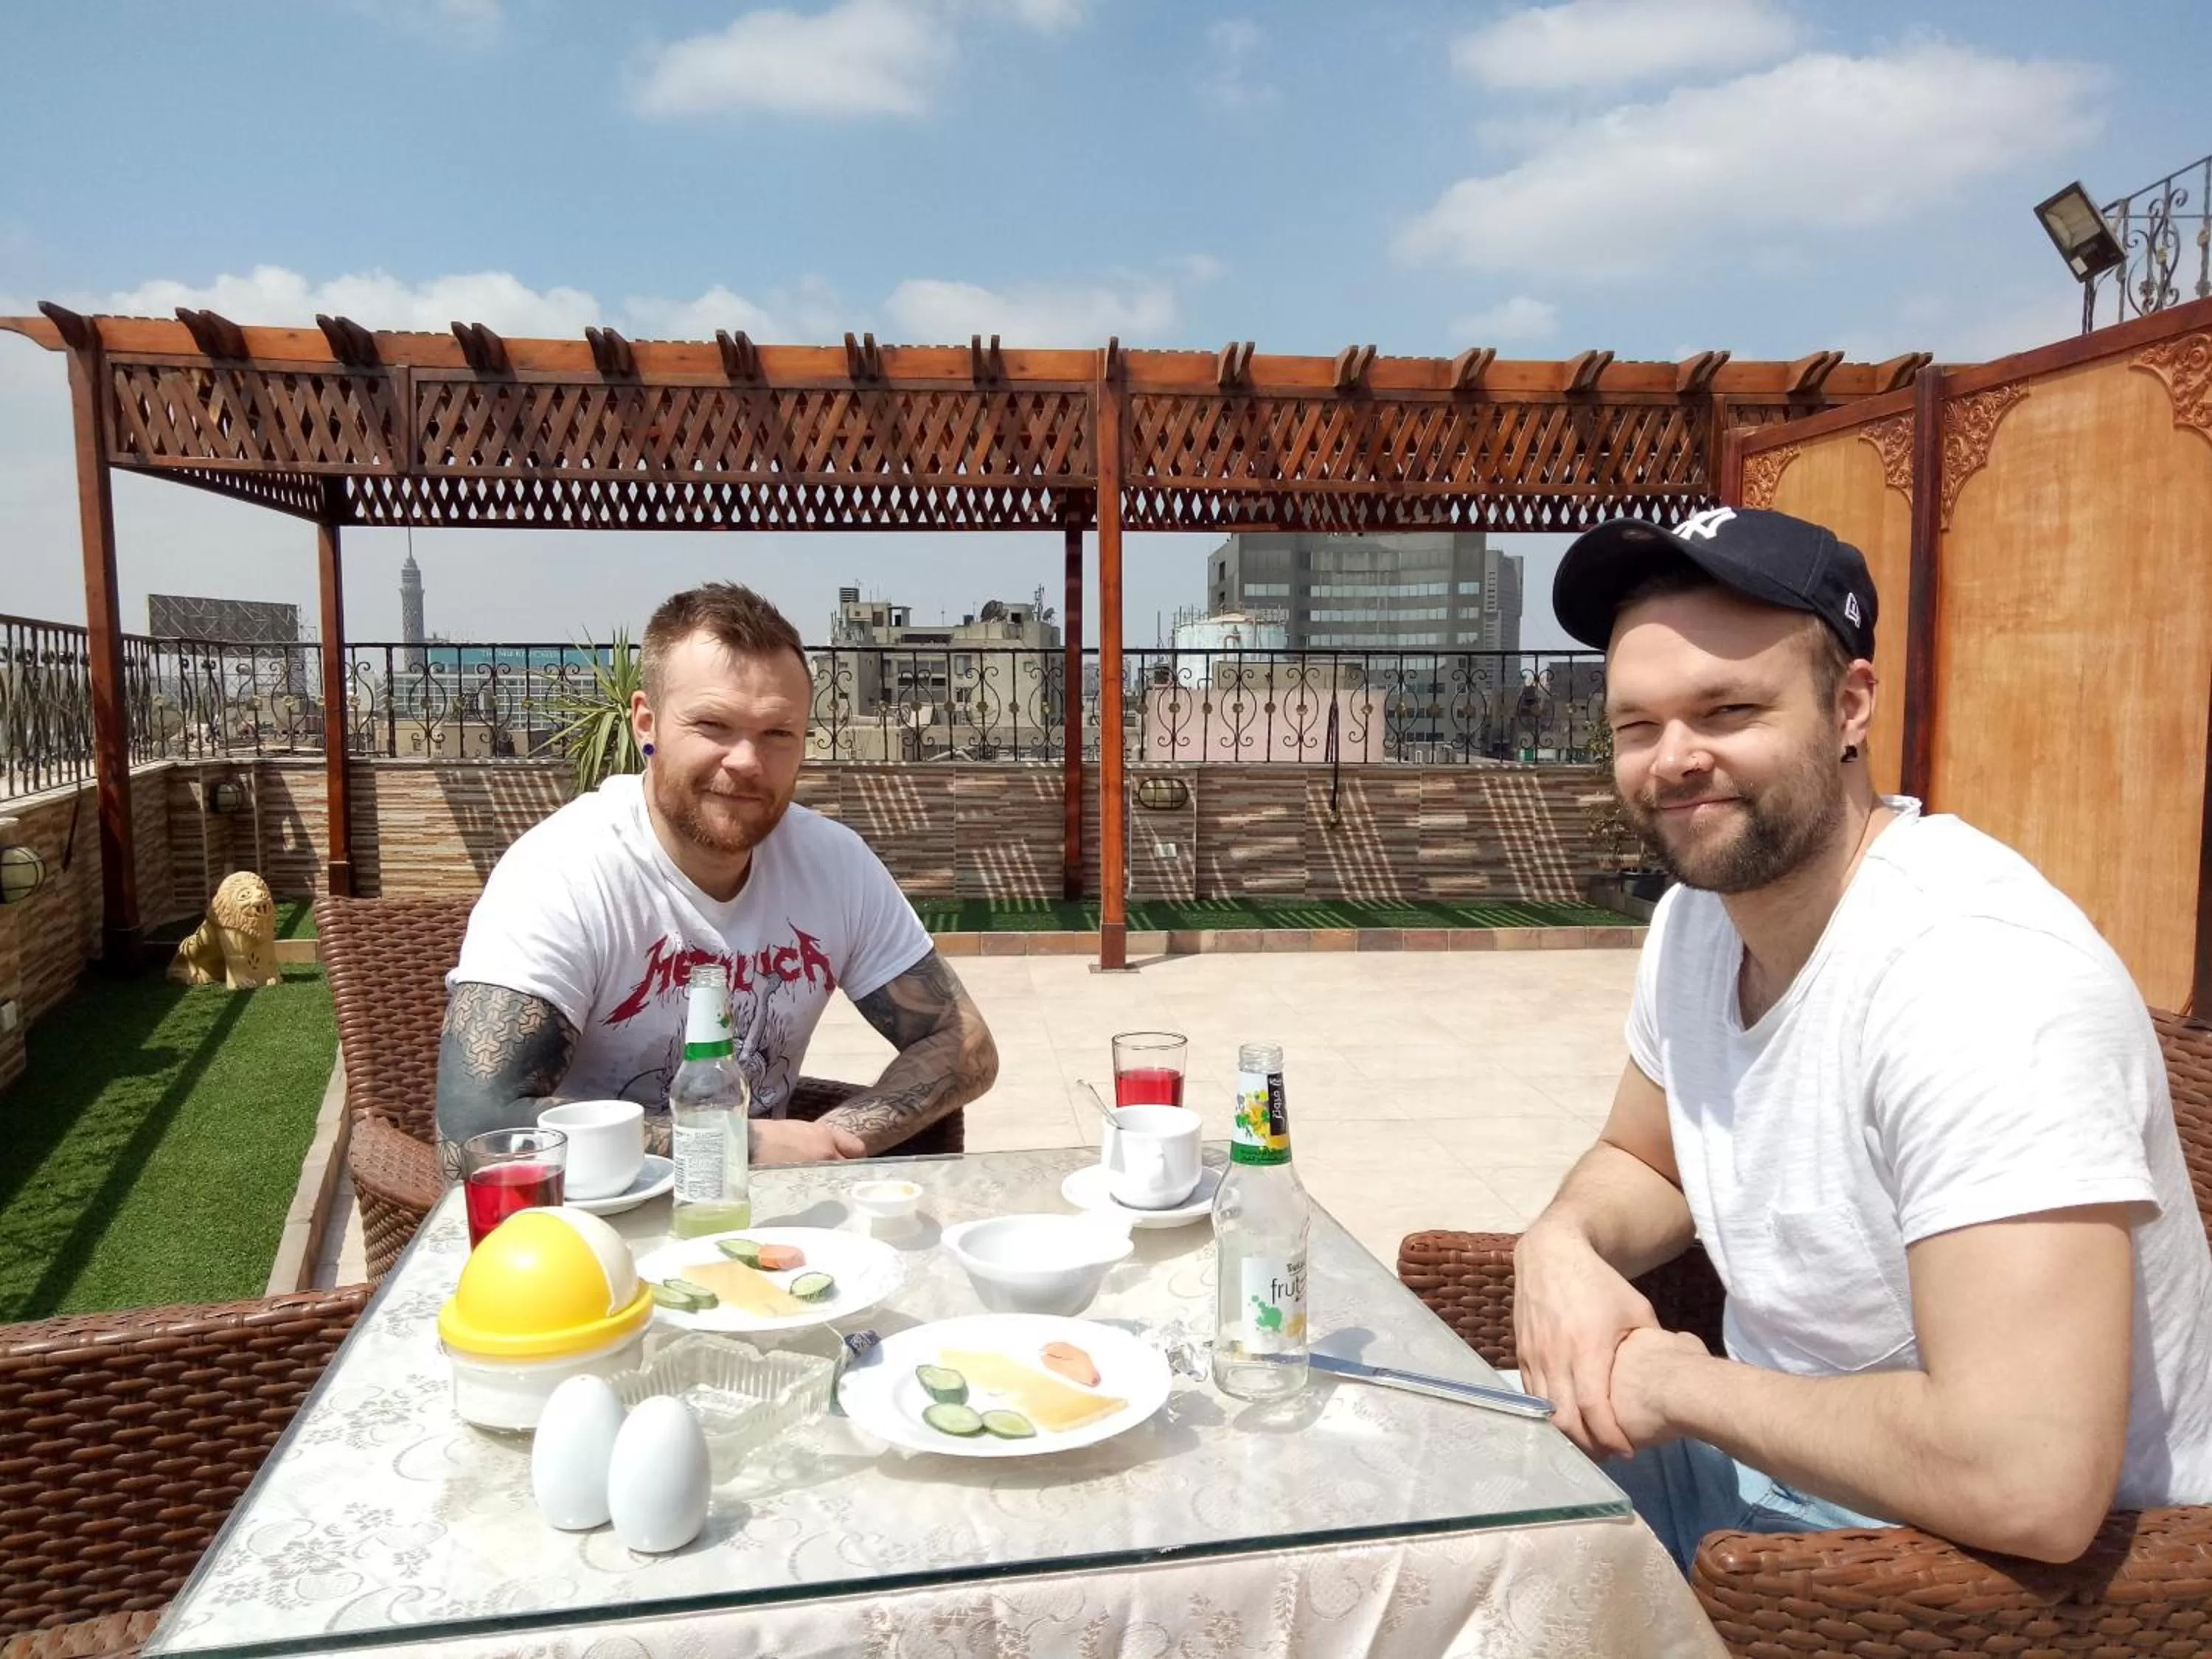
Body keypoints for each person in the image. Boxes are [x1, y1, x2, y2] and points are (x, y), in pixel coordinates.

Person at [1517, 506, 2212, 1571]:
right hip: (1761, 1476)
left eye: (1729, 708)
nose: (1675, 759)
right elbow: (1643, 1158)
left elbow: (2027, 1481)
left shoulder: (1978, 979)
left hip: (1961, 1574)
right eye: (1637, 725)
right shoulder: (1698, 923)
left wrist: (1676, 1382)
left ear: (1850, 706)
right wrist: (1559, 1242)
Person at [435, 582, 998, 1172]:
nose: (747, 762)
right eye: (713, 725)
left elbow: (965, 1045)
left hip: (765, 1215)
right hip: (593, 1217)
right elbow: (471, 1134)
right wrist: (739, 1146)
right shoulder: (564, 872)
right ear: (646, 723)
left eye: (777, 733)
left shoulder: (833, 863)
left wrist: (834, 1138)